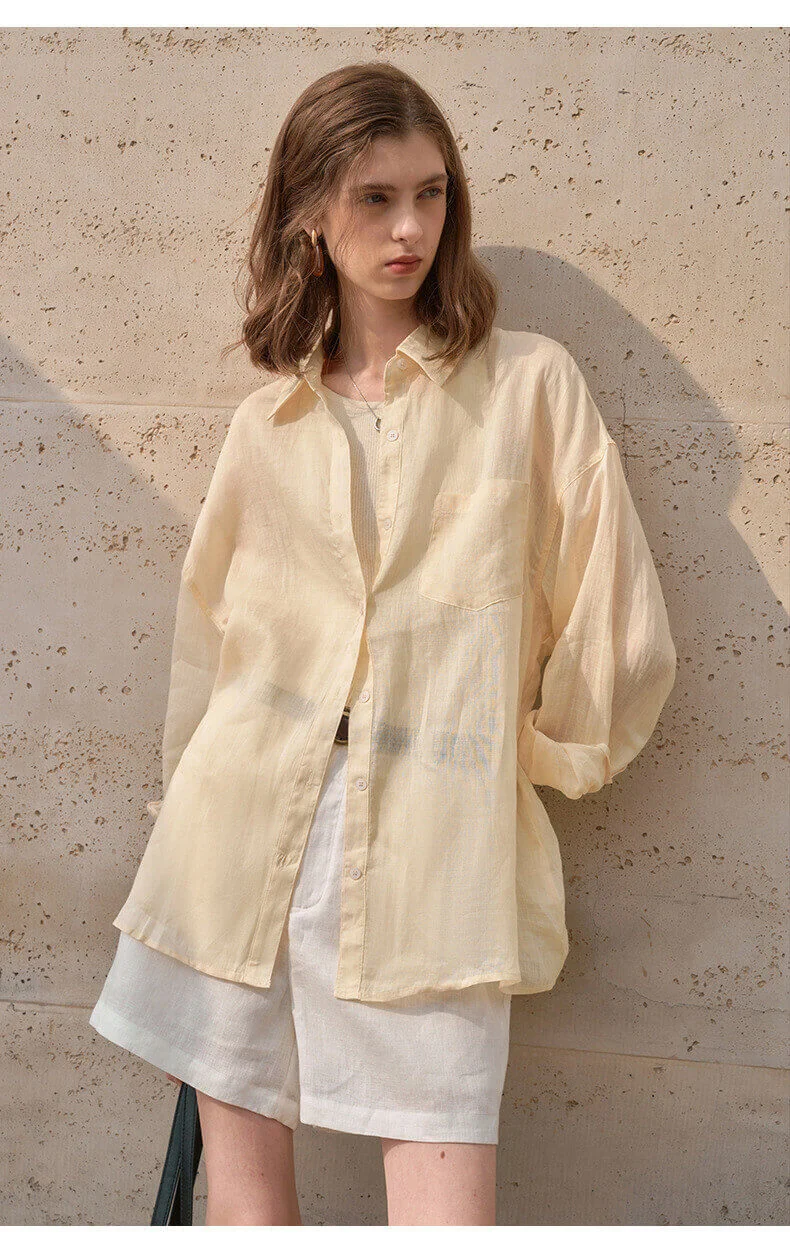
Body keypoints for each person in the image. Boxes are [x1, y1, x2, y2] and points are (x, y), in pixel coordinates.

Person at [89, 62, 677, 1225]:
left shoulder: (529, 388)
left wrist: (514, 760)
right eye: (374, 198)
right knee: (246, 1209)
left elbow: (619, 629)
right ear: (310, 212)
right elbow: (211, 656)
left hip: (434, 855)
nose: (411, 228)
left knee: (442, 1203)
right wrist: (189, 806)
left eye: (431, 193)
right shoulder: (269, 422)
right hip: (236, 848)